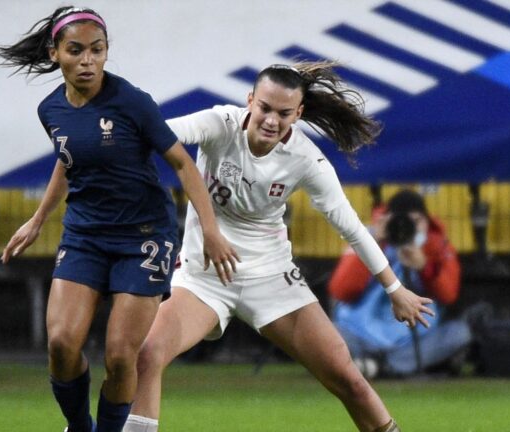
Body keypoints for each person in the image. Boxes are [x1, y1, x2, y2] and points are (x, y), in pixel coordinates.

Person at [123, 62, 434, 432]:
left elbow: (351, 227)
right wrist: (109, 127)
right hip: (204, 277)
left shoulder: (306, 159)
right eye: (265, 108)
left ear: (298, 114)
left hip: (271, 277)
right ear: (250, 100)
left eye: (284, 114)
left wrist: (395, 289)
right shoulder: (219, 124)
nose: (271, 121)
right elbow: (160, 133)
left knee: (347, 378)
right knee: (148, 354)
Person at [0, 6, 237, 432]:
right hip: (85, 235)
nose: (88, 60)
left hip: (143, 237)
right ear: (55, 53)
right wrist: (38, 219)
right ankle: (78, 427)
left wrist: (211, 230)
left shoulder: (133, 103)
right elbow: (69, 160)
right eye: (76, 50)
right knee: (61, 344)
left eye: (97, 50)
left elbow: (183, 164)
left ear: (107, 52)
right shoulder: (50, 110)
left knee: (122, 356)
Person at [329, 189, 472, 377]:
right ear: (386, 220)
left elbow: (448, 295)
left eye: (416, 221)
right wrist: (373, 245)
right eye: (399, 220)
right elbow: (341, 291)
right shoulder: (365, 238)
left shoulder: (436, 244)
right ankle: (388, 366)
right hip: (360, 332)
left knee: (459, 333)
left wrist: (425, 267)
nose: (406, 227)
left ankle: (377, 366)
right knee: (328, 332)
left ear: (427, 221)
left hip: (412, 341)